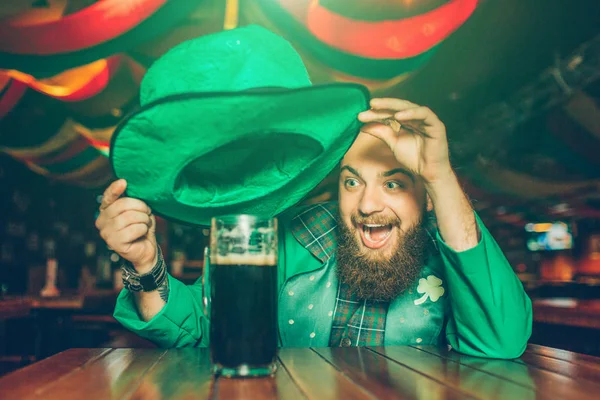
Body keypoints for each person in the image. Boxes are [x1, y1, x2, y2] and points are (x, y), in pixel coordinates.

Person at [96, 95, 532, 359]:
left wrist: (439, 174)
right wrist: (145, 264)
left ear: (428, 195)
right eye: (352, 181)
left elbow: (501, 341)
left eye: (394, 182)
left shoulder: (447, 249)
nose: (367, 204)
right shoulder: (286, 235)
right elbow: (205, 332)